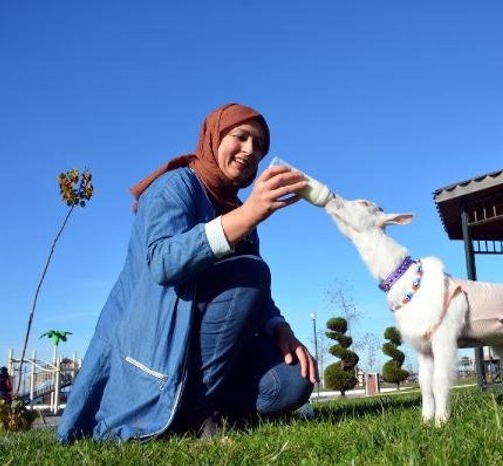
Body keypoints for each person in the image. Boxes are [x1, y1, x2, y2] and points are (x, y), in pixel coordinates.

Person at [57, 103, 317, 442]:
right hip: (158, 341)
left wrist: (278, 326)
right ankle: (194, 410)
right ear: (214, 136)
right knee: (249, 274)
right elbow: (163, 261)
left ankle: (207, 404)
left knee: (293, 382)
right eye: (240, 137)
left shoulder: (239, 213)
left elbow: (257, 296)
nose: (250, 150)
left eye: (259, 146)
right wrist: (247, 215)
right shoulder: (174, 187)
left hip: (214, 345)